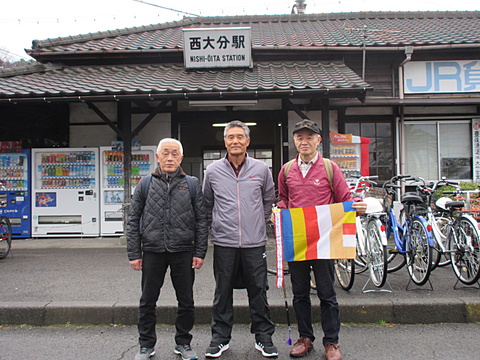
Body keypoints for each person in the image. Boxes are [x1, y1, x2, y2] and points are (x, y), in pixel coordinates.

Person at [277, 120, 366, 360]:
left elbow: (344, 198)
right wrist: (279, 209)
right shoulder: (286, 170)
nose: (304, 141)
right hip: (297, 238)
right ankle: (305, 337)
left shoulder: (330, 168)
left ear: (318, 140)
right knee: (300, 293)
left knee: (327, 293)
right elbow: (283, 199)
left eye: (309, 137)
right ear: (295, 141)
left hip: (325, 239)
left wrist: (356, 206)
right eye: (299, 137)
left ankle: (332, 342)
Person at [127, 138, 208, 360]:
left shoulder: (191, 184)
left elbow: (202, 220)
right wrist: (134, 253)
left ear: (181, 157)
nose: (170, 158)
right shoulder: (144, 184)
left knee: (186, 300)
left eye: (174, 154)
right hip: (152, 251)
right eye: (165, 153)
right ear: (158, 156)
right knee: (147, 300)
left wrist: (200, 252)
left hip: (183, 251)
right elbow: (133, 220)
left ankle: (183, 343)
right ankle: (146, 345)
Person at [202, 120, 278, 358]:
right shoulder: (212, 171)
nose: (235, 141)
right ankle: (220, 338)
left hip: (255, 243)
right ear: (225, 142)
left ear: (248, 141)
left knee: (258, 291)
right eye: (230, 137)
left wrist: (257, 222)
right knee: (222, 292)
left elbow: (268, 201)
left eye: (239, 137)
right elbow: (207, 204)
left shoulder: (261, 170)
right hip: (224, 242)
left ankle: (264, 337)